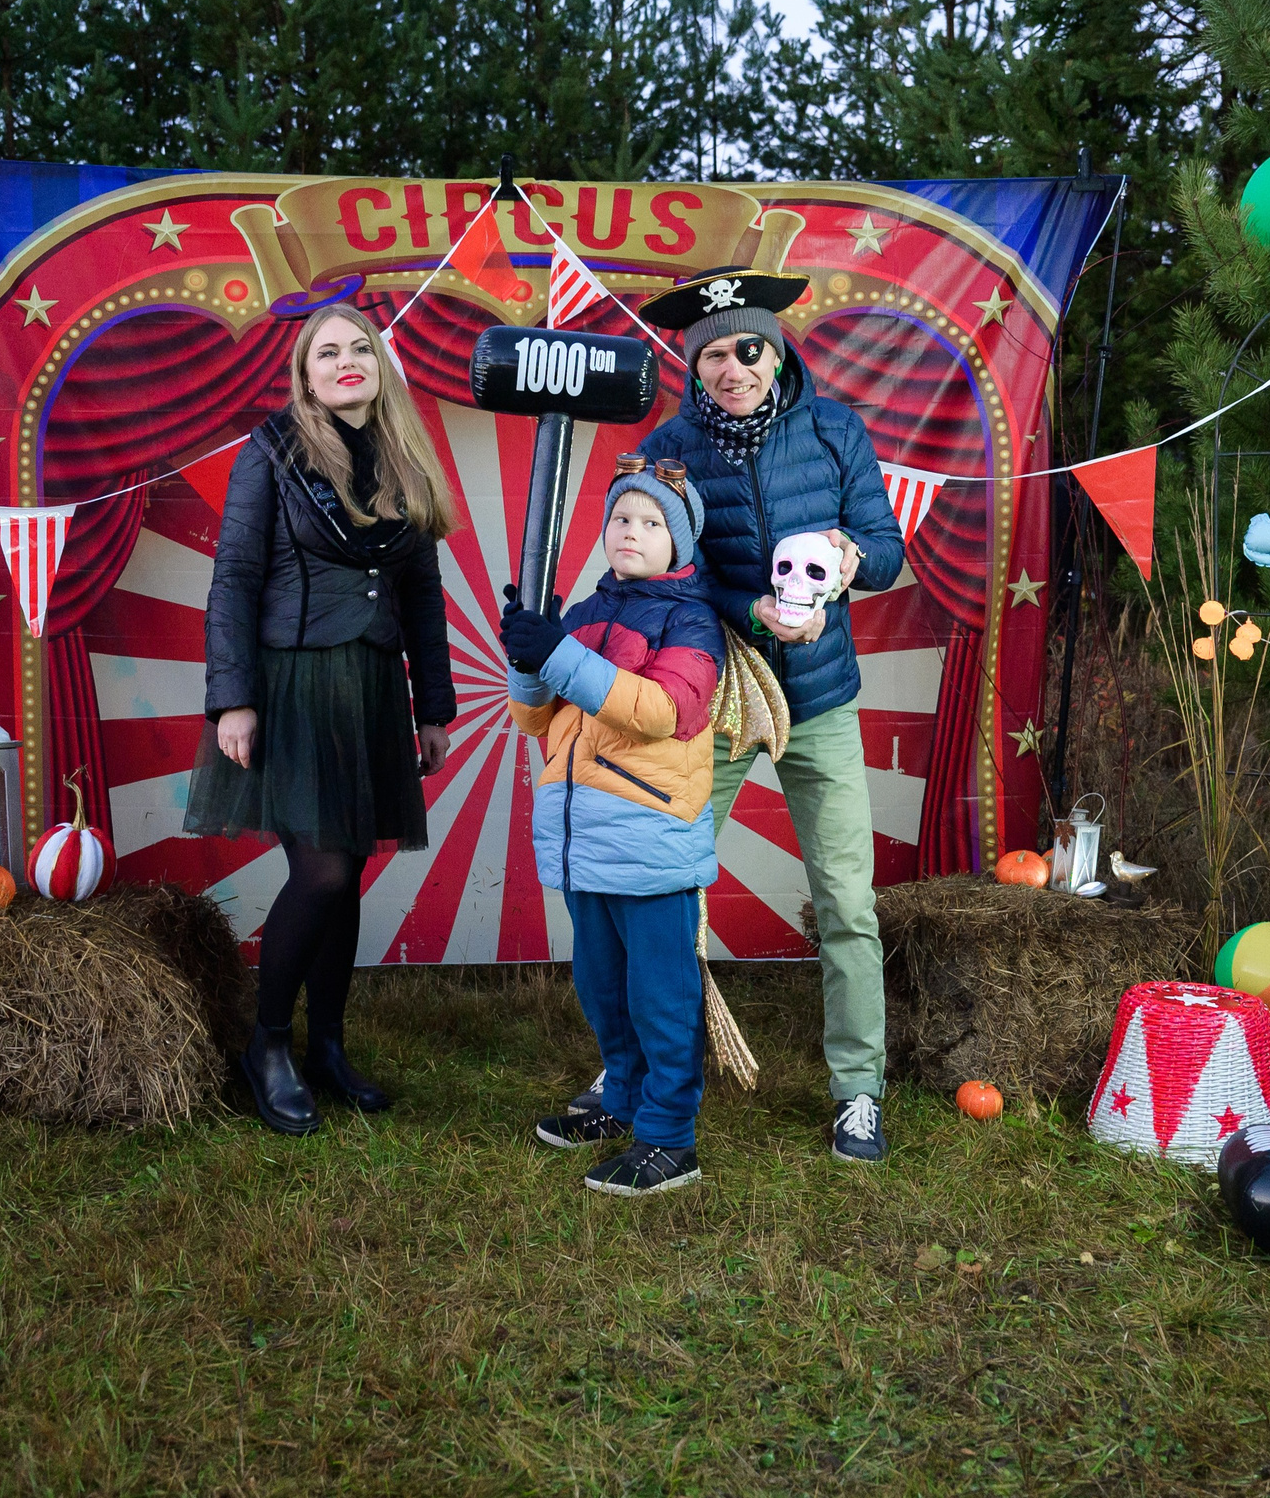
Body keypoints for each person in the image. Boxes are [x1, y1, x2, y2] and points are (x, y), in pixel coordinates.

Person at [632, 269, 907, 1163]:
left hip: (821, 697)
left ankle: (857, 1090)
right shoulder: (672, 447)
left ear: (775, 347)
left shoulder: (834, 430)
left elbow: (887, 552)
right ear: (694, 363)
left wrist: (845, 553)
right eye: (713, 354)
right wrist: (752, 612)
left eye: (747, 348)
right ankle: (640, 1072)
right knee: (661, 884)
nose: (732, 367)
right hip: (719, 692)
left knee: (846, 900)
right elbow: (673, 567)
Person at [188, 305, 457, 1136]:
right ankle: (265, 1045)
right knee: (325, 873)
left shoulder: (405, 456)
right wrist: (233, 697)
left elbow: (420, 595)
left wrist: (433, 710)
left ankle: (327, 1048)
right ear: (304, 374)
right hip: (291, 684)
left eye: (358, 349)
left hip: (374, 685)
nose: (345, 361)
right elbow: (233, 577)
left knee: (348, 879)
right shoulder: (271, 450)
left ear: (379, 364)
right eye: (326, 352)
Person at [503, 456, 724, 1195]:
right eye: (622, 518)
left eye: (652, 521)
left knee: (659, 995)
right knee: (602, 986)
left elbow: (664, 711)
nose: (631, 530)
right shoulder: (587, 612)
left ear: (680, 542)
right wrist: (527, 656)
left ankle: (670, 1139)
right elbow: (536, 716)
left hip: (650, 841)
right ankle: (622, 1100)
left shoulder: (691, 619)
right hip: (583, 841)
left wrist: (561, 654)